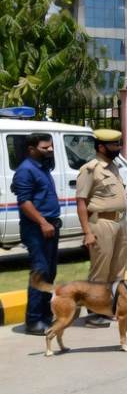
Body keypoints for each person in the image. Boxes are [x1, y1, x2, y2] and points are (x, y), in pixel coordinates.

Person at [75, 128, 127, 327]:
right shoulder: (90, 169)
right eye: (114, 145)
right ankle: (95, 313)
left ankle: (111, 307)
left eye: (118, 144)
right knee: (100, 271)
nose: (118, 148)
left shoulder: (113, 167)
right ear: (101, 147)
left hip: (120, 223)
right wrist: (87, 232)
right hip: (101, 223)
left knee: (118, 270)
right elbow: (81, 202)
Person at [14, 133, 61, 336]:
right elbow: (24, 202)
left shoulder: (42, 167)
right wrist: (42, 222)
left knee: (50, 272)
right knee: (40, 270)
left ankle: (45, 315)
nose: (50, 150)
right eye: (45, 148)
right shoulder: (25, 171)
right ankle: (33, 320)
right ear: (31, 149)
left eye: (50, 147)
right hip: (36, 228)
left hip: (51, 226)